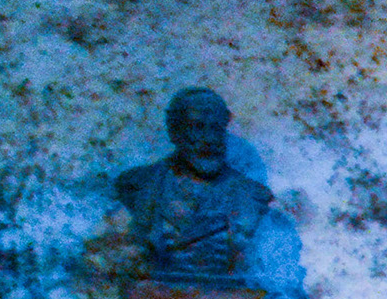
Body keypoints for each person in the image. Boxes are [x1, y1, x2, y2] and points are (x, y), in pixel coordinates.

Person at [113, 87, 271, 284]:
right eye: (197, 127)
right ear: (174, 131)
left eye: (216, 128)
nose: (209, 139)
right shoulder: (139, 185)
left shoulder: (251, 195)